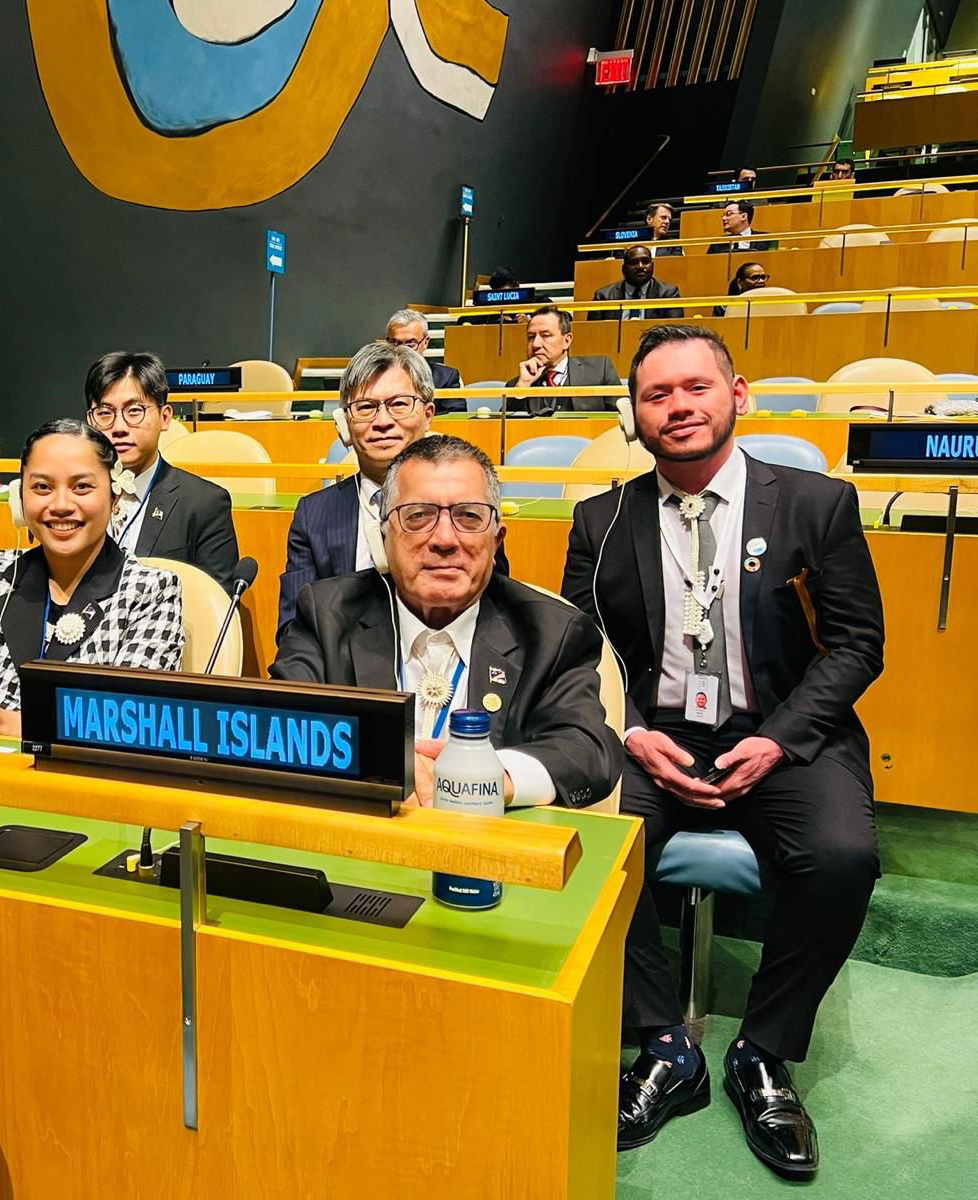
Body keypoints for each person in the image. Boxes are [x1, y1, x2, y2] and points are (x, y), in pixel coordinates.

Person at [561, 325, 883, 1177]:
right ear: (635, 415)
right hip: (654, 735)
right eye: (656, 394)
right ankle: (665, 1043)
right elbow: (575, 648)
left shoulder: (817, 504)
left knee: (843, 856)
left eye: (695, 387)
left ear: (736, 396)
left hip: (782, 730)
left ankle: (764, 1053)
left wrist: (776, 742)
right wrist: (631, 734)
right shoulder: (602, 519)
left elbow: (857, 646)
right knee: (587, 840)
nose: (677, 406)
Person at [272, 434, 622, 809]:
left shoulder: (552, 631)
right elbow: (285, 726)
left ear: (496, 540)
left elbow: (588, 750)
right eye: (418, 516)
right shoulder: (328, 614)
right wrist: (392, 762)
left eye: (468, 517)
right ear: (384, 537)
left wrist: (484, 777)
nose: (443, 539)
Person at [0, 419, 184, 736]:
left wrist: (3, 723)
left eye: (82, 487)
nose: (60, 505)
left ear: (114, 498)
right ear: (20, 499)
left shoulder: (152, 591)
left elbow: (129, 724)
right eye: (42, 487)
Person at [277, 341, 437, 635]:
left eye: (399, 404)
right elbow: (294, 630)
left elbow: (491, 613)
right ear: (344, 424)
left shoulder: (467, 505)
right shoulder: (314, 515)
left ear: (428, 415)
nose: (383, 421)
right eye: (366, 407)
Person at [84, 351, 240, 583]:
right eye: (105, 413)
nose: (118, 427)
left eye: (134, 411)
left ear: (165, 417)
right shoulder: (73, 496)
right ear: (90, 421)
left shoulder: (205, 504)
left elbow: (214, 604)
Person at [505, 306, 623, 414]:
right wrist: (523, 387)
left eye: (546, 335)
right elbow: (505, 429)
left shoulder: (599, 371)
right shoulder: (515, 386)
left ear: (567, 340)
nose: (535, 344)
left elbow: (623, 421)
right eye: (531, 337)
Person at [590, 247, 685, 321]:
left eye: (645, 262)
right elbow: (592, 332)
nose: (640, 267)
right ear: (623, 268)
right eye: (634, 262)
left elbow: (675, 334)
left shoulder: (668, 294)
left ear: (653, 266)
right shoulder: (603, 296)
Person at [386, 308, 463, 399]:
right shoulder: (376, 376)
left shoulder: (446, 377)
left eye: (410, 344)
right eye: (396, 344)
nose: (402, 350)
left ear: (425, 342)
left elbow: (455, 412)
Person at [708, 200, 776, 255]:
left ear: (743, 216)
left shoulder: (766, 239)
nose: (723, 218)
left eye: (729, 214)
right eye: (723, 215)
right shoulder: (717, 243)